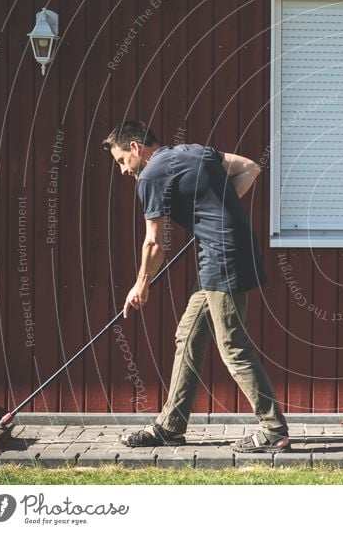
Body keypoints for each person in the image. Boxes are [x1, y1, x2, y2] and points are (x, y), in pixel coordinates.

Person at [103, 120, 290, 453]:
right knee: (187, 335)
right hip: (225, 253)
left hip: (223, 258)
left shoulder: (150, 175)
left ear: (136, 148)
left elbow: (154, 243)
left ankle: (274, 429)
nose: (122, 170)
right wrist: (213, 212)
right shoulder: (193, 152)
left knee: (233, 346)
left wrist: (140, 284)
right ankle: (170, 427)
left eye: (121, 160)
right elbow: (250, 168)